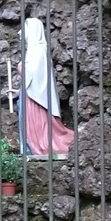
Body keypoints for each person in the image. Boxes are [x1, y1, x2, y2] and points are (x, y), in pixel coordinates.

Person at [18, 17, 75, 157]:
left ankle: (41, 145)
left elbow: (34, 74)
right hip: (31, 96)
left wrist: (21, 67)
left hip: (37, 100)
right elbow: (32, 80)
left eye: (24, 29)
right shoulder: (33, 51)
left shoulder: (39, 50)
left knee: (40, 126)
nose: (20, 32)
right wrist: (18, 91)